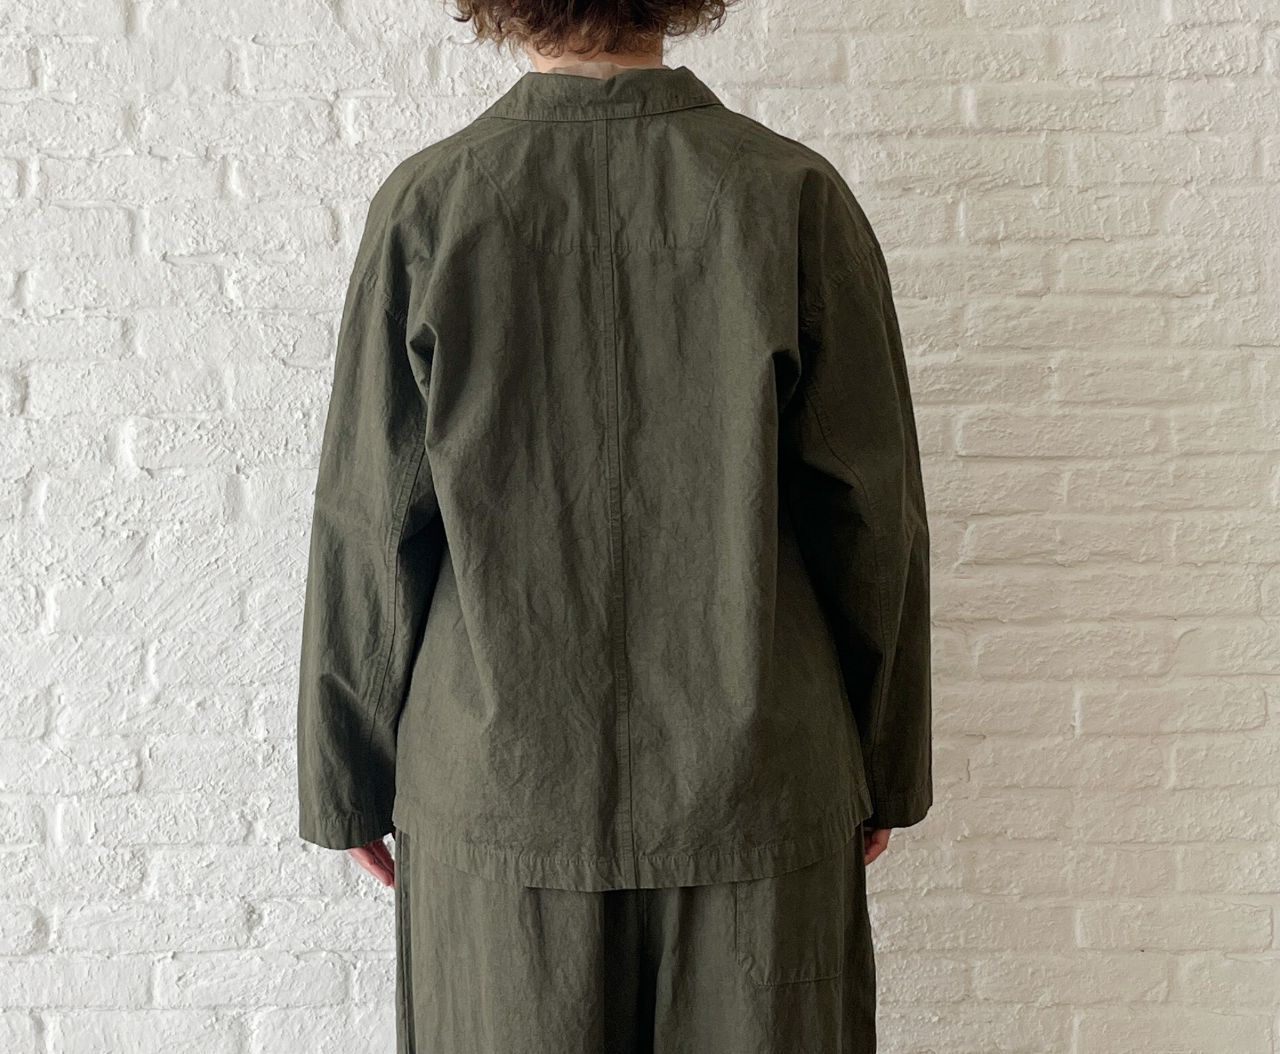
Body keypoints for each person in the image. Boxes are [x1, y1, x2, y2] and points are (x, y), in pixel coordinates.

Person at [294, 1, 932, 1049]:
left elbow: (369, 517)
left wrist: (345, 776)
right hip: (758, 781)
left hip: (500, 802)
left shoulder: (429, 204)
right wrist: (885, 764)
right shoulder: (791, 194)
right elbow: (872, 514)